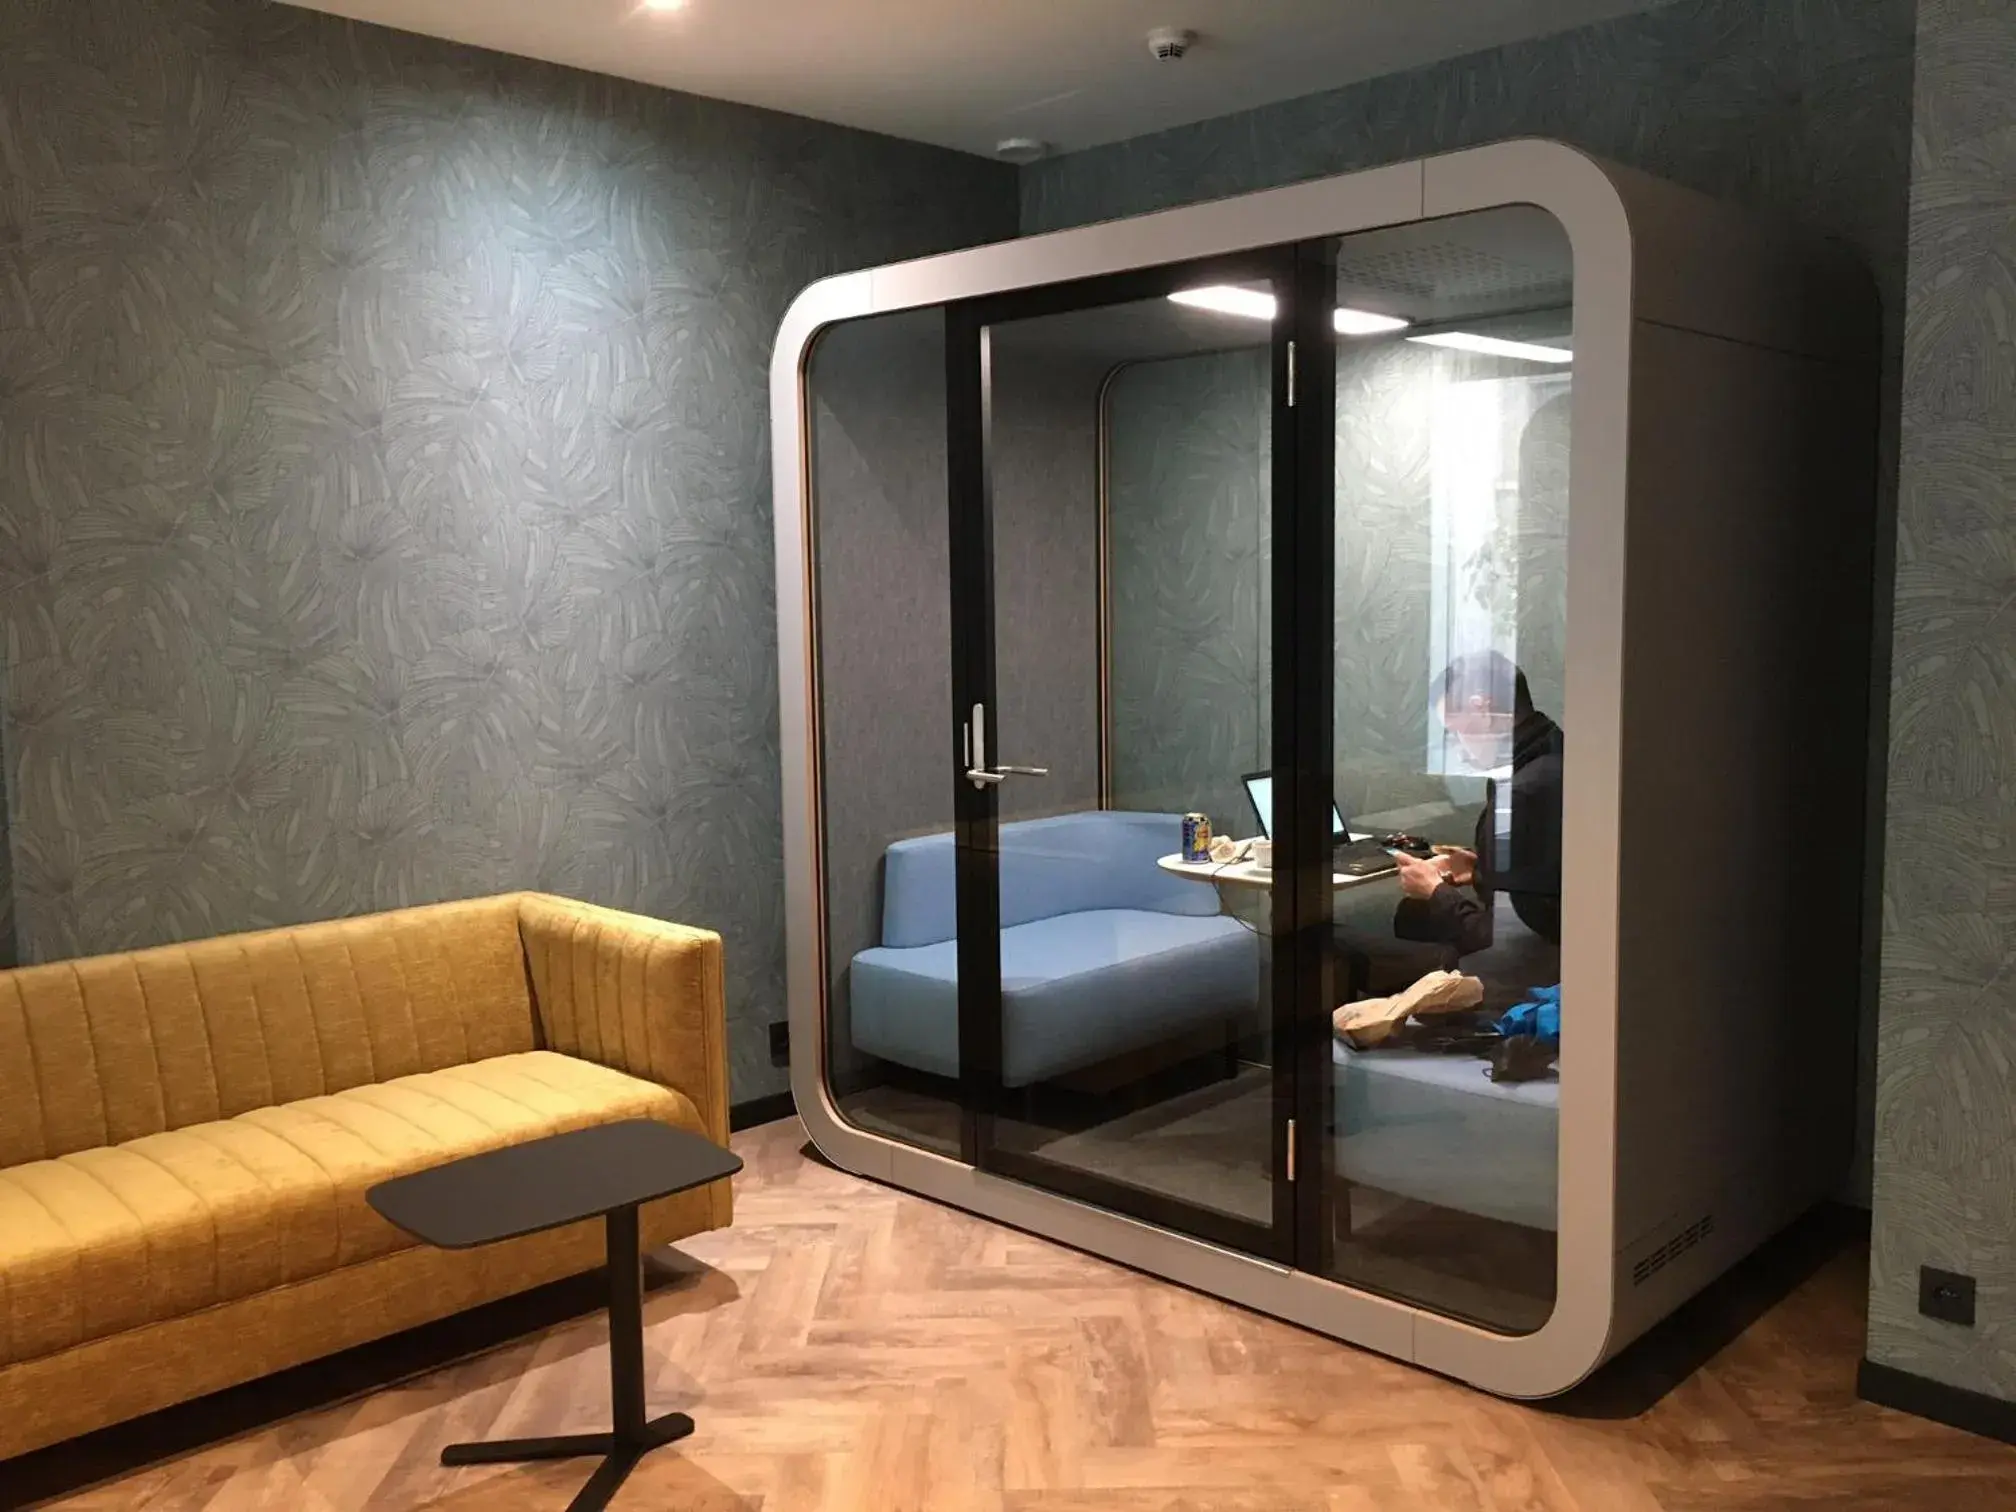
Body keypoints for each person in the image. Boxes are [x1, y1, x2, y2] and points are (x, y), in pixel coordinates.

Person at [1392, 650, 1564, 957]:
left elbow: (1509, 944)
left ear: (1480, 707)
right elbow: (1543, 895)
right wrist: (1479, 870)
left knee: (1351, 941)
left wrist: (1435, 892)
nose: (1458, 748)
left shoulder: (1521, 794)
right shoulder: (1559, 756)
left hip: (1534, 980)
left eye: (1453, 732)